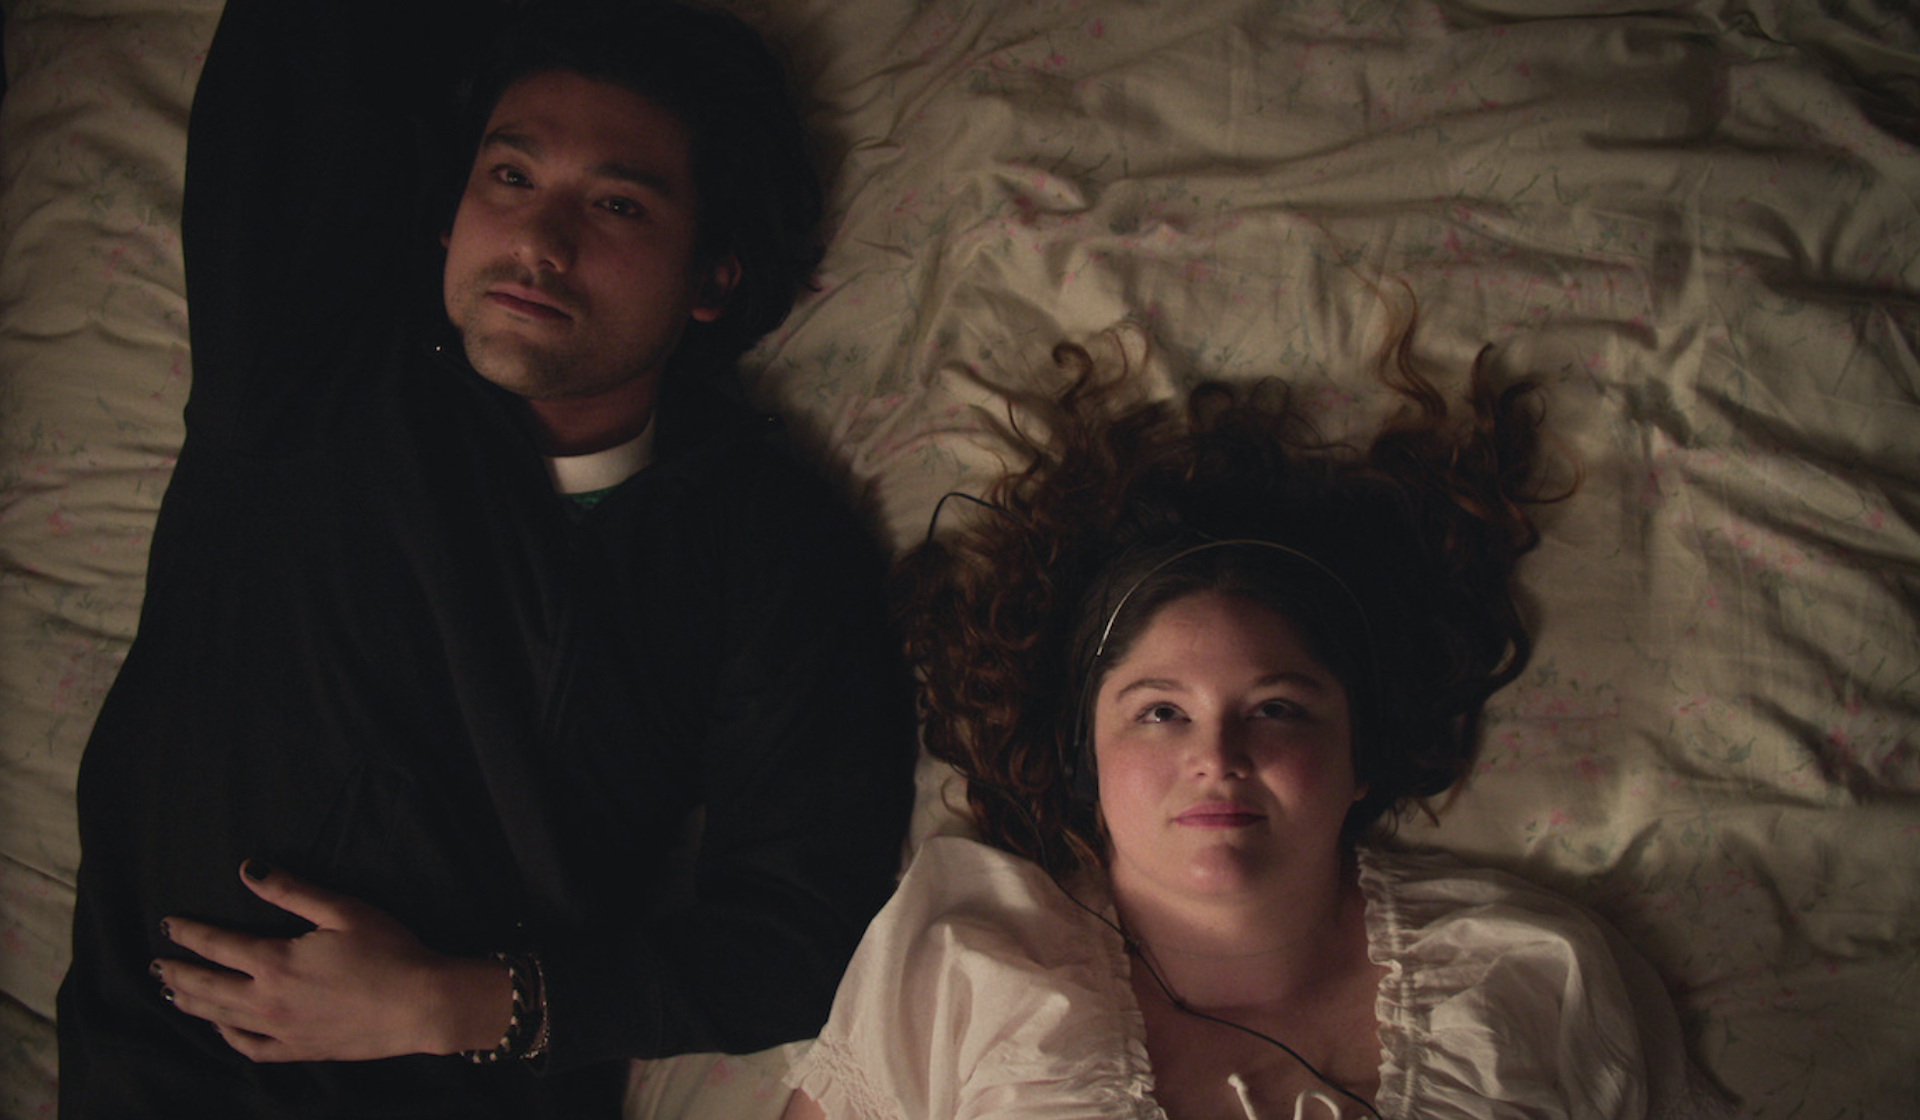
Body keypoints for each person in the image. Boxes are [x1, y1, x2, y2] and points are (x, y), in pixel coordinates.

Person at [56, 1, 914, 1116]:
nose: (539, 241)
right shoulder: (308, 375)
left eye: (616, 204)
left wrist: (457, 1004)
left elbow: (799, 935)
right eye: (509, 178)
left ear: (712, 279)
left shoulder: (771, 551)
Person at [781, 332, 1734, 1119]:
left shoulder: (1534, 978)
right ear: (1084, 755)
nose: (1217, 759)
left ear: (1360, 753)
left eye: (1277, 709)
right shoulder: (960, 972)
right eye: (1160, 712)